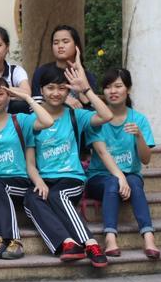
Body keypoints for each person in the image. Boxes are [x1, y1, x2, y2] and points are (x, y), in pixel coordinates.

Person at [22, 56, 113, 268]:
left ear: (68, 91)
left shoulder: (76, 115)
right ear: (41, 90)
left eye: (61, 88)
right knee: (31, 198)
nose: (56, 93)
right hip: (46, 179)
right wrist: (39, 182)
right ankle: (67, 243)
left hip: (71, 178)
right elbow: (30, 163)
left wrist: (86, 90)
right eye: (50, 88)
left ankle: (90, 243)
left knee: (58, 195)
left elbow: (106, 115)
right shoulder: (32, 121)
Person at [0, 77, 54, 260]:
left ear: (8, 95)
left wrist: (27, 98)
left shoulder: (19, 120)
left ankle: (15, 241)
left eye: (0, 94)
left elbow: (48, 121)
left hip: (18, 181)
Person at [85, 68, 160, 259]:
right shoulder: (96, 119)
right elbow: (101, 152)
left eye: (118, 86)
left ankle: (149, 237)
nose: (113, 91)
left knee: (134, 182)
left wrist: (139, 136)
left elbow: (145, 159)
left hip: (130, 177)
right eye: (108, 87)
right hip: (99, 178)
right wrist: (120, 178)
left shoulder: (138, 119)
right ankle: (110, 238)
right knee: (112, 182)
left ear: (128, 89)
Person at [31, 24, 97, 107]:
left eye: (65, 42)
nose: (60, 46)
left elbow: (90, 103)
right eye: (56, 43)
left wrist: (79, 70)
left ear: (76, 46)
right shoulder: (42, 72)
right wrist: (62, 99)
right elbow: (34, 107)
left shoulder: (86, 75)